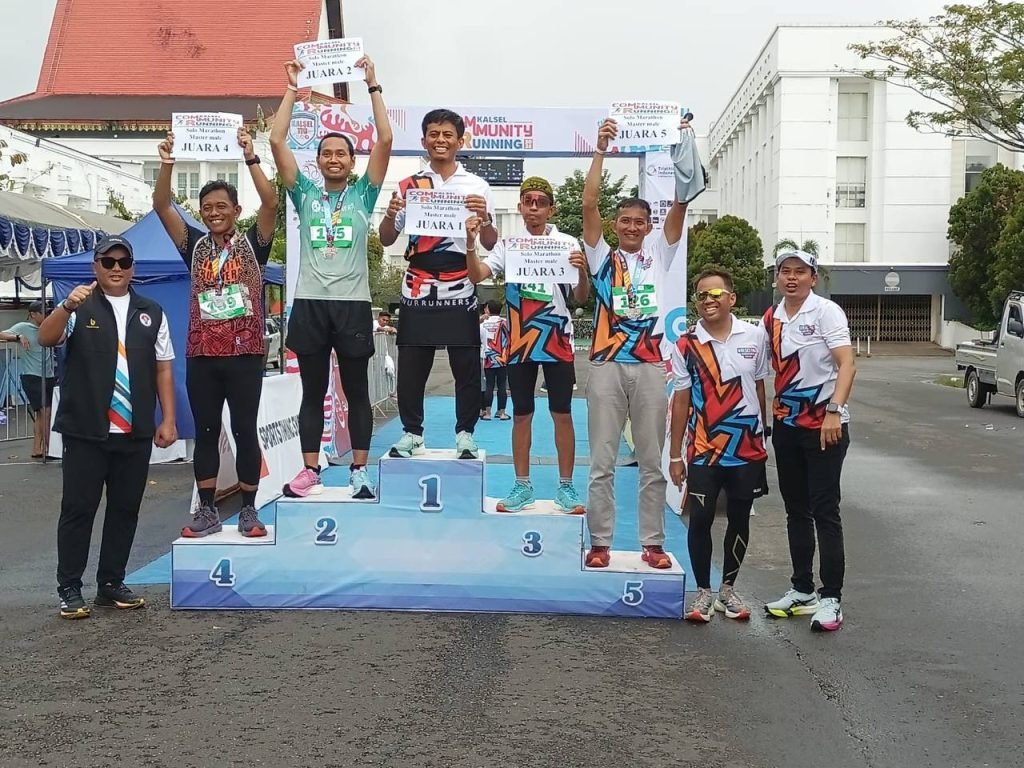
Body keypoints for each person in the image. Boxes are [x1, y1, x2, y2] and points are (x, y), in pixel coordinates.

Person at [270, 54, 393, 498]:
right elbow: (277, 139)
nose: (334, 159)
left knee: (356, 391)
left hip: (353, 305)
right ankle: (310, 471)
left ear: (352, 162)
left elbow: (385, 139)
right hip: (310, 303)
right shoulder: (304, 194)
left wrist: (372, 85)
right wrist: (291, 87)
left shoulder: (363, 195)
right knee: (312, 391)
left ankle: (359, 470)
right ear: (318, 161)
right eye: (327, 153)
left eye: (342, 153)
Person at [38, 236, 177, 619]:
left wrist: (168, 418)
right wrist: (66, 306)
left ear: (132, 268)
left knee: (125, 510)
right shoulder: (79, 304)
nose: (116, 268)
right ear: (95, 266)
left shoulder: (151, 311)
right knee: (78, 509)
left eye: (123, 262)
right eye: (108, 261)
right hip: (86, 430)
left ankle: (111, 583)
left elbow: (163, 368)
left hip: (134, 431)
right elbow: (46, 337)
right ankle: (69, 587)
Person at [153, 126, 277, 537]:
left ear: (236, 210)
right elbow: (161, 205)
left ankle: (249, 510)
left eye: (221, 206)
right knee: (206, 432)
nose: (213, 212)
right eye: (206, 207)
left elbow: (271, 201)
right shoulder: (194, 245)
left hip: (245, 353)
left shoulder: (255, 244)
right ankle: (206, 510)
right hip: (203, 353)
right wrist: (167, 163)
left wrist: (250, 156)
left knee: (244, 430)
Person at [581, 117, 690, 570]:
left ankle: (653, 543)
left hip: (649, 365)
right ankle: (600, 542)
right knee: (602, 463)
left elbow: (682, 201)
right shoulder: (600, 256)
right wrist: (601, 150)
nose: (631, 227)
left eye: (639, 222)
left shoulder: (660, 254)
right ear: (615, 224)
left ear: (648, 226)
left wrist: (684, 144)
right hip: (606, 364)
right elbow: (588, 202)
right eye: (624, 220)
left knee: (650, 461)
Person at [466, 176, 588, 514]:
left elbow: (581, 297)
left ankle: (566, 487)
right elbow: (476, 275)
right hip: (521, 340)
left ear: (551, 209)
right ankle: (522, 485)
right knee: (521, 414)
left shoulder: (567, 242)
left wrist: (582, 272)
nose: (534, 208)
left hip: (556, 337)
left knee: (562, 413)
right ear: (520, 207)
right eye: (528, 201)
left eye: (541, 202)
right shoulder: (509, 244)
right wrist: (470, 244)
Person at [379, 108, 497, 459]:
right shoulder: (409, 185)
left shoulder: (477, 186)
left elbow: (490, 242)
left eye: (448, 135)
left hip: (460, 279)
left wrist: (486, 218)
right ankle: (412, 433)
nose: (440, 140)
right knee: (412, 364)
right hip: (418, 279)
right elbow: (386, 239)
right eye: (434, 134)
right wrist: (390, 215)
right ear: (423, 140)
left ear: (461, 141)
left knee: (466, 364)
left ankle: (465, 433)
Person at [668, 268, 770, 623]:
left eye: (715, 294)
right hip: (703, 450)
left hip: (746, 449)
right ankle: (703, 593)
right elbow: (681, 400)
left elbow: (759, 386)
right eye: (701, 295)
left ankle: (728, 590)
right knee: (700, 519)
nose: (707, 301)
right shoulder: (686, 344)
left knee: (740, 519)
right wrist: (675, 455)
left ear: (732, 298)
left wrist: (763, 435)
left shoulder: (755, 337)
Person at [762, 249, 856, 632]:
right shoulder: (772, 318)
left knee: (825, 510)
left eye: (800, 271)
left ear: (813, 278)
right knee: (795, 510)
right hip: (786, 425)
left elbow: (847, 364)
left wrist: (834, 410)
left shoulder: (825, 312)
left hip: (824, 425)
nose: (792, 277)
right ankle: (802, 590)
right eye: (785, 271)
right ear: (776, 278)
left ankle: (831, 597)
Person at [1, 301, 55, 458]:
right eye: (43, 312)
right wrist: (17, 337)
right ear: (33, 314)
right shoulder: (23, 327)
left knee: (42, 414)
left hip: (48, 375)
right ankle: (50, 448)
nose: (47, 315)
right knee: (45, 412)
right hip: (32, 375)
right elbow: (1, 334)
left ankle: (37, 448)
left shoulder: (48, 327)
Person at [479, 299, 509, 420]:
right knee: (502, 385)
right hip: (502, 357)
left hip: (487, 357)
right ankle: (502, 412)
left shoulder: (482, 324)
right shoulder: (505, 323)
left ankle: (487, 413)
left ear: (488, 309)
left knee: (489, 385)